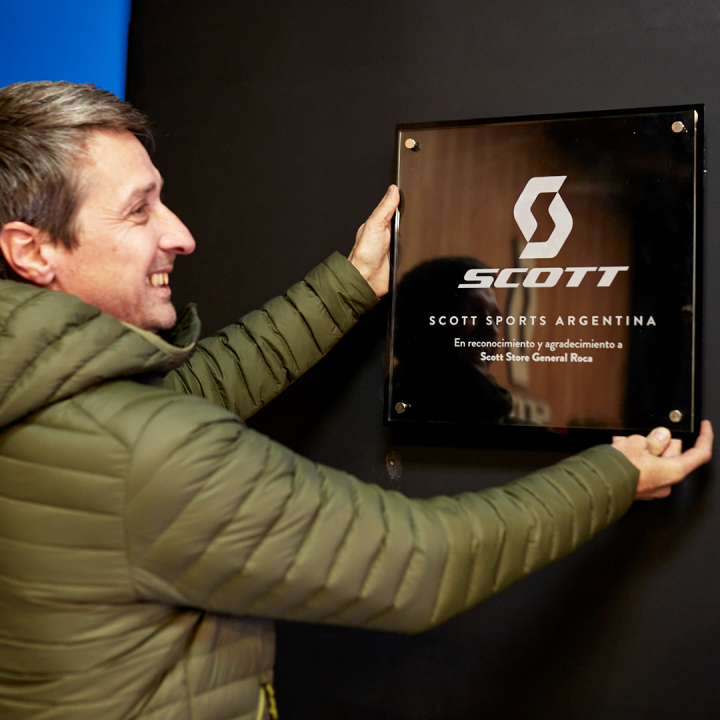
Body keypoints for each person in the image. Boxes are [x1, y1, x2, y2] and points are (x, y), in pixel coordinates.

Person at [0, 81, 711, 720]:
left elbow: (186, 391)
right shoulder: (136, 447)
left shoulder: (34, 384)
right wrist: (616, 474)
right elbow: (423, 562)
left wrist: (350, 284)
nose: (181, 234)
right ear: (31, 250)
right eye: (138, 211)